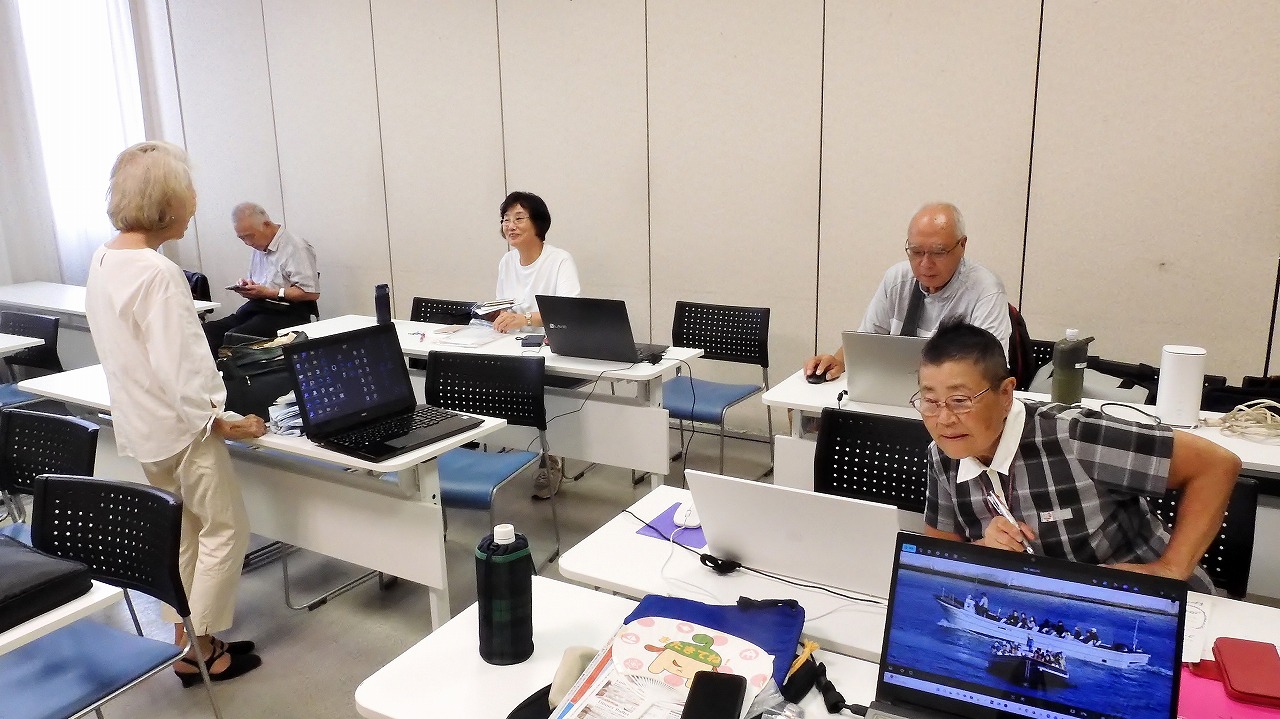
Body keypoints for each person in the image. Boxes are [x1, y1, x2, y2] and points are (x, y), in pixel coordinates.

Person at [86, 141, 266, 685]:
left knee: (185, 533)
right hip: (182, 428)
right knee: (224, 529)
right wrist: (221, 418)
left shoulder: (103, 259)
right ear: (165, 203)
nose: (194, 207)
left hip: (141, 425)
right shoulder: (157, 273)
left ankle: (185, 634)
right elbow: (182, 365)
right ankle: (202, 648)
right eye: (188, 196)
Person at [916, 320, 1241, 594]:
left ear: (1006, 394)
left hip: (1152, 599)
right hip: (1055, 606)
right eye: (930, 401)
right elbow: (940, 559)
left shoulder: (1073, 437)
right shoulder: (944, 456)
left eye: (960, 401)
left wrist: (1170, 569)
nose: (944, 419)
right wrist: (986, 549)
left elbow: (1216, 465)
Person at [804, 203, 1011, 381]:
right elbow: (866, 341)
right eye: (916, 252)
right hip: (894, 392)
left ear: (962, 245)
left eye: (938, 252)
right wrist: (838, 361)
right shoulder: (897, 279)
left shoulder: (985, 290)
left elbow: (990, 369)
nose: (926, 263)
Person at [492, 191, 580, 499]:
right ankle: (505, 447)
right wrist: (499, 317)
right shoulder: (507, 261)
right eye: (506, 219)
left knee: (536, 387)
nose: (510, 225)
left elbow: (567, 311)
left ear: (538, 223)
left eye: (519, 218)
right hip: (515, 348)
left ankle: (549, 457)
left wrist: (525, 319)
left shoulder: (559, 260)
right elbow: (504, 307)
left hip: (554, 352)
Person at [202, 202, 319, 353]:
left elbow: (310, 292)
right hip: (258, 308)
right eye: (242, 238)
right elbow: (264, 285)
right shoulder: (259, 245)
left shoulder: (296, 247)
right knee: (206, 332)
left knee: (232, 339)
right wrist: (249, 287)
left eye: (250, 236)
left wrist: (269, 293)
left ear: (267, 224)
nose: (248, 243)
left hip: (287, 312)